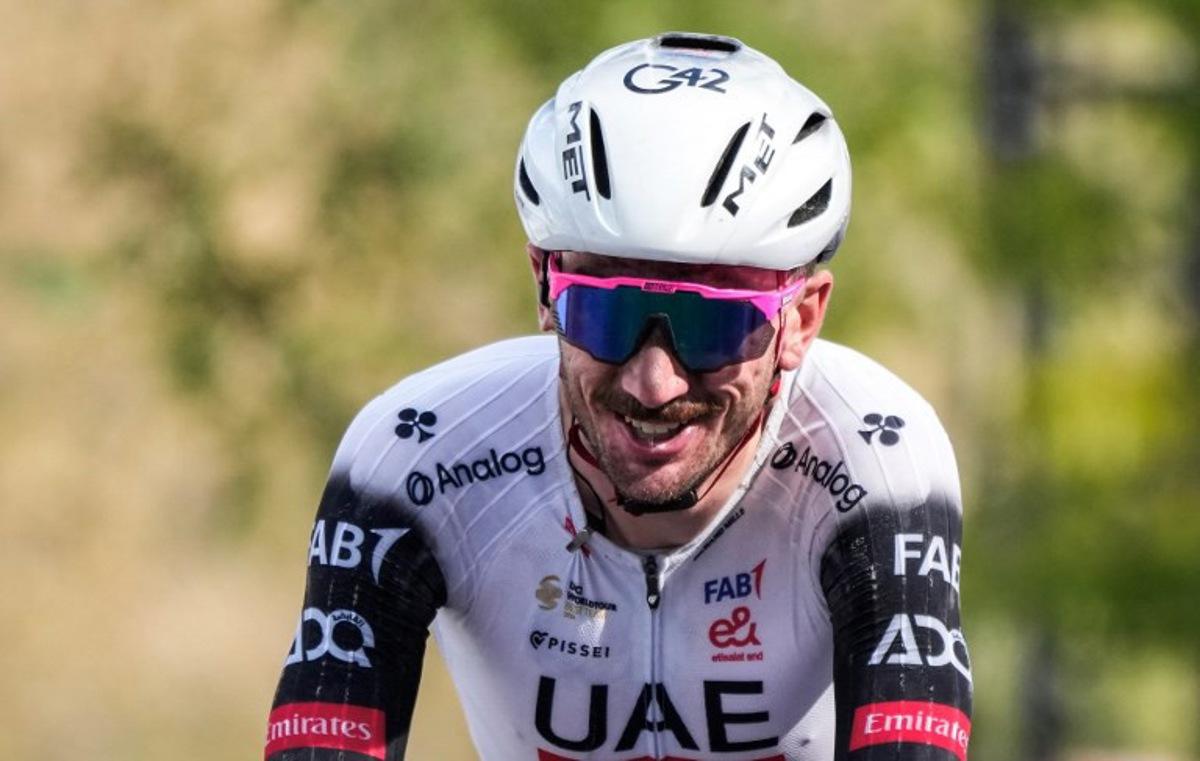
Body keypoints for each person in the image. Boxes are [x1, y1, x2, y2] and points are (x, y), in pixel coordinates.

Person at [265, 32, 972, 761]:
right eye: (605, 313)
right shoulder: (413, 460)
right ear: (543, 285)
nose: (652, 382)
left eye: (713, 323)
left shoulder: (877, 465)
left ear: (802, 319)